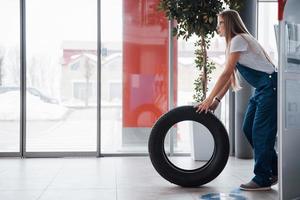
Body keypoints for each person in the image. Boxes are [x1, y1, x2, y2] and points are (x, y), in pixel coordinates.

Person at [195, 9, 278, 191]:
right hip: (263, 89)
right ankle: (275, 169)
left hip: (270, 87)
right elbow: (231, 75)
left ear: (230, 23)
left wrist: (208, 99)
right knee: (248, 128)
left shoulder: (238, 39)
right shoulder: (238, 41)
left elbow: (226, 73)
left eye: (221, 23)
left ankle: (263, 178)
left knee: (260, 132)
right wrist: (216, 99)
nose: (218, 27)